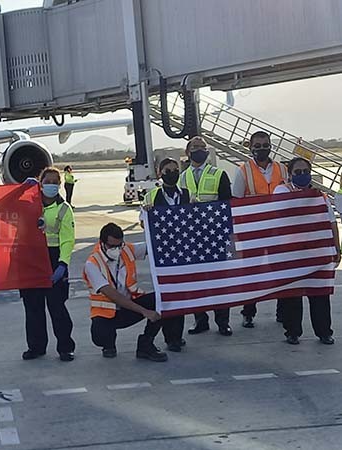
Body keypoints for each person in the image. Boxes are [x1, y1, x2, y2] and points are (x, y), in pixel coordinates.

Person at [83, 223, 177, 362]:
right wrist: (144, 311)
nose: (117, 249)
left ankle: (146, 344)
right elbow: (113, 296)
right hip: (106, 313)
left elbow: (152, 244)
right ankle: (108, 344)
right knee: (100, 336)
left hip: (128, 308)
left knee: (161, 300)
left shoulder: (126, 250)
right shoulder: (92, 264)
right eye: (112, 246)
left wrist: (152, 219)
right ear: (102, 243)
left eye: (119, 245)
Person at [273, 157, 338, 345]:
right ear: (290, 174)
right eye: (298, 172)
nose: (302, 176)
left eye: (305, 172)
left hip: (316, 252)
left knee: (320, 294)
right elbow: (282, 213)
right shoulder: (282, 190)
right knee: (292, 295)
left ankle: (324, 332)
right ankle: (292, 332)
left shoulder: (320, 196)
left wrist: (336, 247)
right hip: (290, 253)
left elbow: (331, 222)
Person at [178, 136, 234, 336]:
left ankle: (223, 322)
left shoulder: (219, 174)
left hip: (215, 235)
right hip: (191, 236)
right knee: (196, 280)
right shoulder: (180, 177)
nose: (199, 150)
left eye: (202, 147)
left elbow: (228, 205)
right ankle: (200, 320)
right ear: (188, 151)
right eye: (195, 147)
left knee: (220, 280)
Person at [232, 131, 289, 328]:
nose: (262, 148)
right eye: (258, 145)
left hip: (278, 231)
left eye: (265, 144)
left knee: (281, 271)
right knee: (251, 273)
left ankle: (283, 312)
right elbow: (236, 202)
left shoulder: (283, 169)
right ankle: (248, 312)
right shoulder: (243, 171)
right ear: (250, 147)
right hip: (253, 232)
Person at [19, 167, 76, 361]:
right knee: (33, 308)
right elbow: (0, 209)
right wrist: (22, 189)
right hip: (31, 258)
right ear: (40, 182)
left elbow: (67, 239)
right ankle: (36, 347)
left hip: (53, 258)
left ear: (60, 185)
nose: (51, 185)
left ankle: (65, 347)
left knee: (57, 307)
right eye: (47, 181)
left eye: (55, 182)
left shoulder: (64, 208)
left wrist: (63, 264)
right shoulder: (28, 204)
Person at [141, 158, 190, 351]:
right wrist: (147, 213)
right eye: (168, 170)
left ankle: (176, 337)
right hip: (162, 254)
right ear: (160, 173)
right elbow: (143, 223)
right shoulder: (151, 196)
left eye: (175, 170)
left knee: (180, 295)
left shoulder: (187, 194)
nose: (172, 173)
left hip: (183, 252)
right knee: (166, 296)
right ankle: (169, 337)